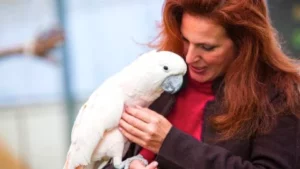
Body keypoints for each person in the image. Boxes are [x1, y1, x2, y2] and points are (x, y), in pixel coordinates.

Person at [104, 0, 300, 169]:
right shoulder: (162, 78)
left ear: (244, 45)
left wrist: (170, 142)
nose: (189, 58)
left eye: (207, 47)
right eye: (185, 40)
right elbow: (108, 159)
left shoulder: (279, 94)